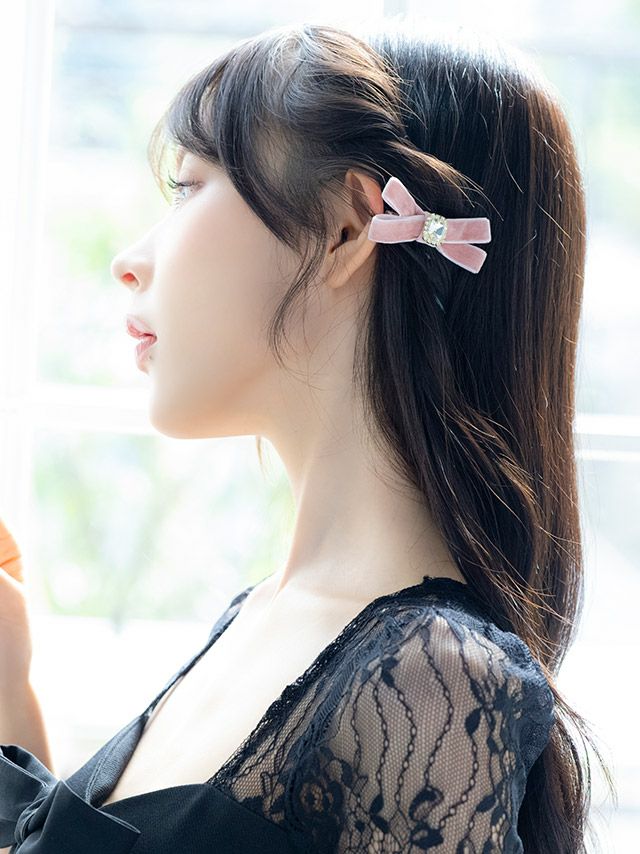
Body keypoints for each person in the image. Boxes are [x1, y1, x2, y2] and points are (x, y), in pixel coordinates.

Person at [0, 20, 614, 854]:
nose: (130, 261)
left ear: (348, 228)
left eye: (187, 186)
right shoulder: (266, 619)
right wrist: (12, 687)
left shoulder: (429, 682)